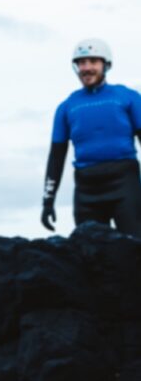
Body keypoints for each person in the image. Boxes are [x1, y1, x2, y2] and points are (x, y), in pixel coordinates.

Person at [42, 39, 141, 236]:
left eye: (93, 61)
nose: (86, 68)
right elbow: (56, 157)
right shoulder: (66, 107)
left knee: (135, 250)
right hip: (87, 189)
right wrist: (48, 200)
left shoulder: (128, 97)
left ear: (106, 64)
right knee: (90, 255)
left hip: (125, 184)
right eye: (81, 62)